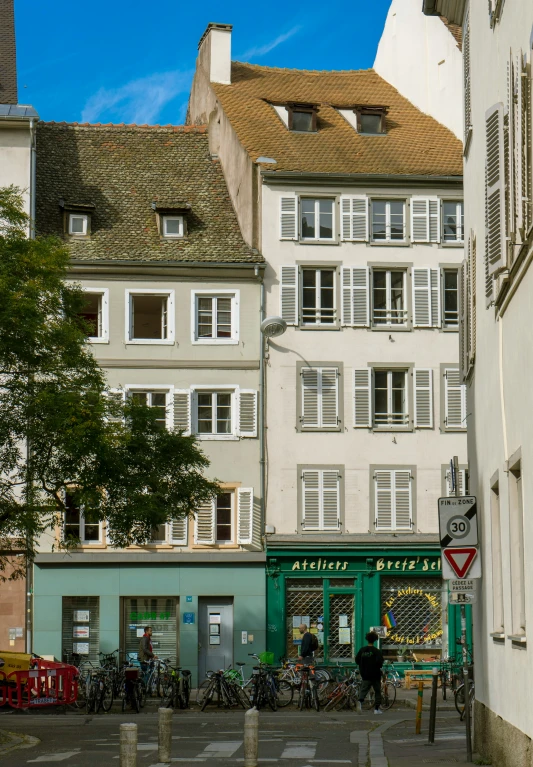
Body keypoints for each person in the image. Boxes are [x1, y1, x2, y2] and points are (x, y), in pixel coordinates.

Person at [355, 631, 384, 715]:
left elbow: (357, 660)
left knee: (363, 690)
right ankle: (376, 709)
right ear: (375, 640)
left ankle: (360, 702)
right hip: (375, 674)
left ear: (367, 639)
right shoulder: (376, 651)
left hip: (365, 674)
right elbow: (380, 662)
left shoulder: (362, 650)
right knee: (377, 691)